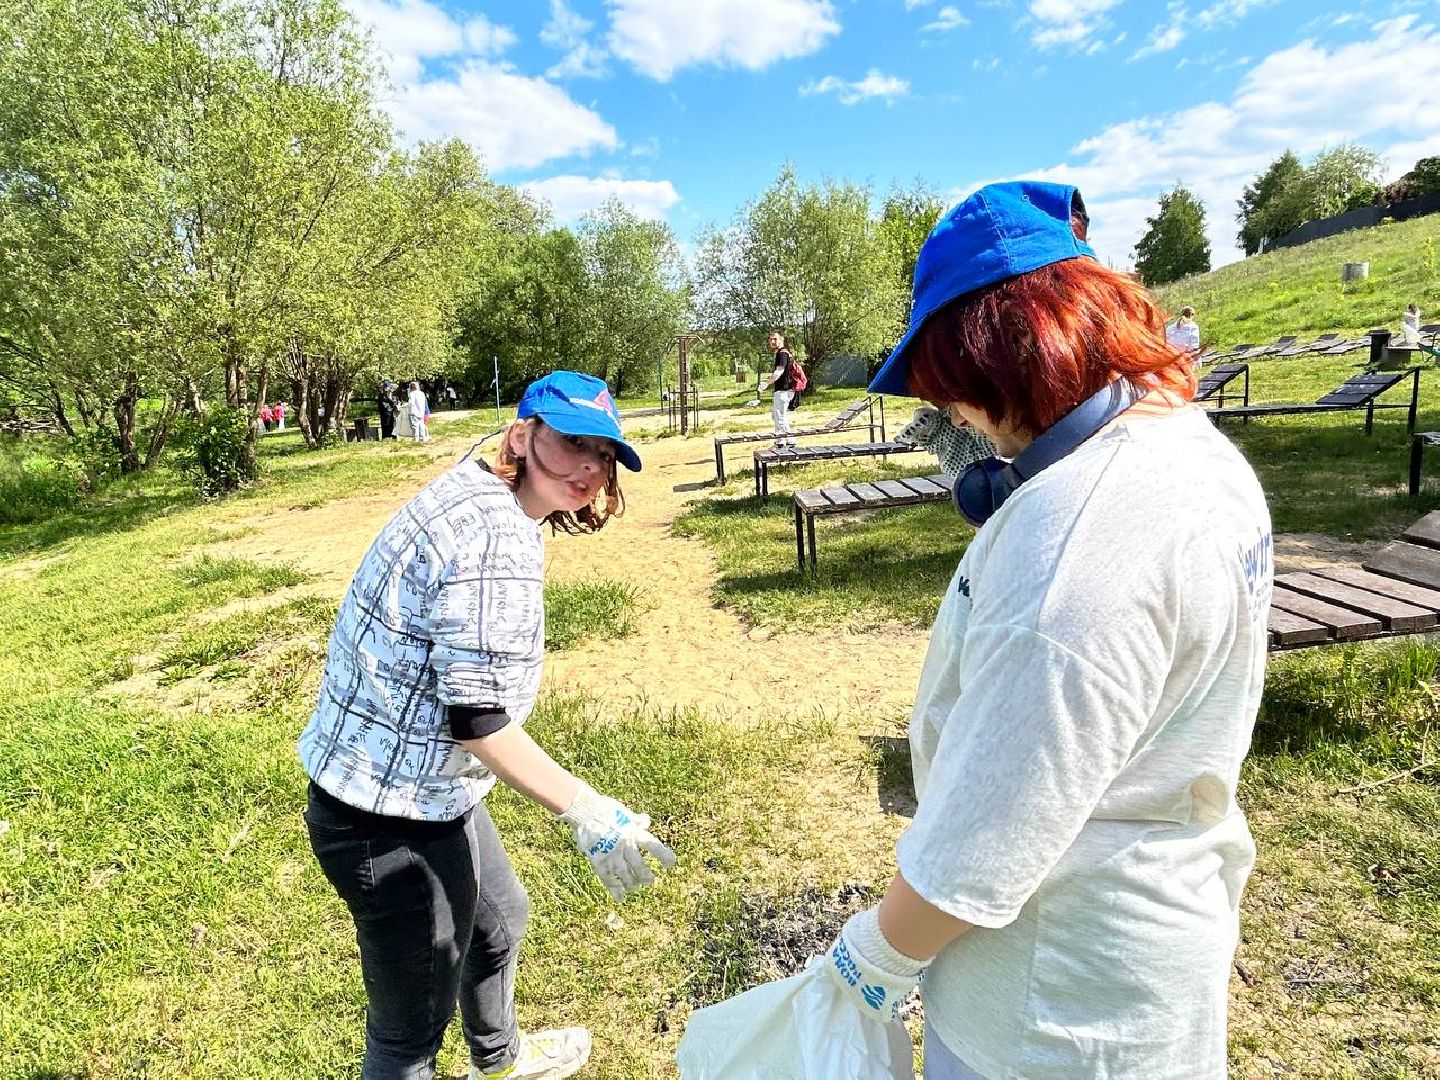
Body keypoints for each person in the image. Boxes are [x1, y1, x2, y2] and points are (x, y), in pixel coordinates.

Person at [813, 181, 1273, 1078]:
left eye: (956, 390)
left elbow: (983, 844)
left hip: (1045, 1006)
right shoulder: (1192, 451)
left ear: (1006, 358)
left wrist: (865, 962)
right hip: (1149, 959)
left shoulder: (1075, 541)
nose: (955, 418)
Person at [298, 371, 676, 1080]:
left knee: (498, 921)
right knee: (407, 1040)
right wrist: (587, 809)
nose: (589, 468)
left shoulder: (476, 491)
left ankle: (499, 1062)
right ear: (522, 435)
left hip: (422, 789)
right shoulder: (497, 537)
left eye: (603, 454)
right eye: (571, 443)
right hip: (386, 816)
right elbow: (477, 721)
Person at [762, 330, 796, 448]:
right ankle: (779, 442)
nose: (772, 341)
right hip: (782, 390)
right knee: (776, 416)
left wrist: (766, 383)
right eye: (770, 339)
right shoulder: (781, 353)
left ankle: (791, 442)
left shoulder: (782, 353)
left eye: (775, 339)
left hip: (784, 390)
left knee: (780, 417)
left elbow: (779, 372)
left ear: (781, 339)